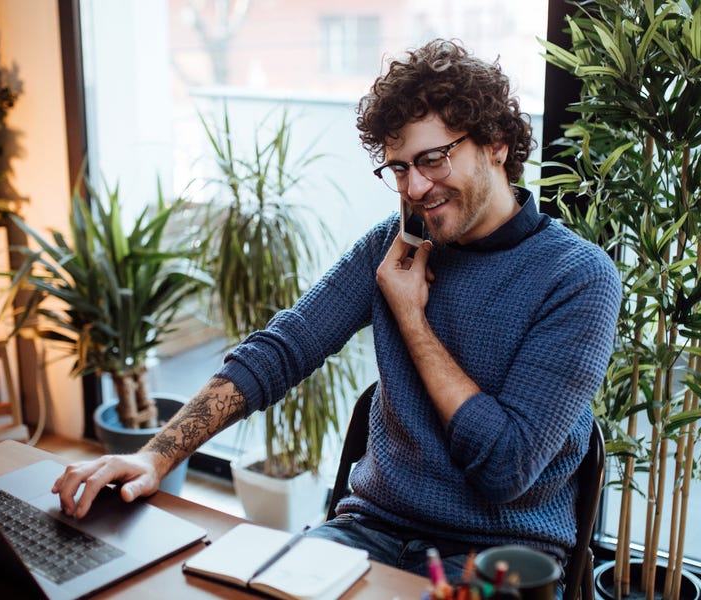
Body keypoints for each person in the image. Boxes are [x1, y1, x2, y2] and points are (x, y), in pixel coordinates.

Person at [52, 39, 621, 590]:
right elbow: (284, 347)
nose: (415, 187)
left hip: (498, 560)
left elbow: (503, 467)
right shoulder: (392, 248)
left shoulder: (578, 277)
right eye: (399, 168)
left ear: (496, 144)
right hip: (368, 531)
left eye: (432, 159)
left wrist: (412, 319)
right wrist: (157, 456)